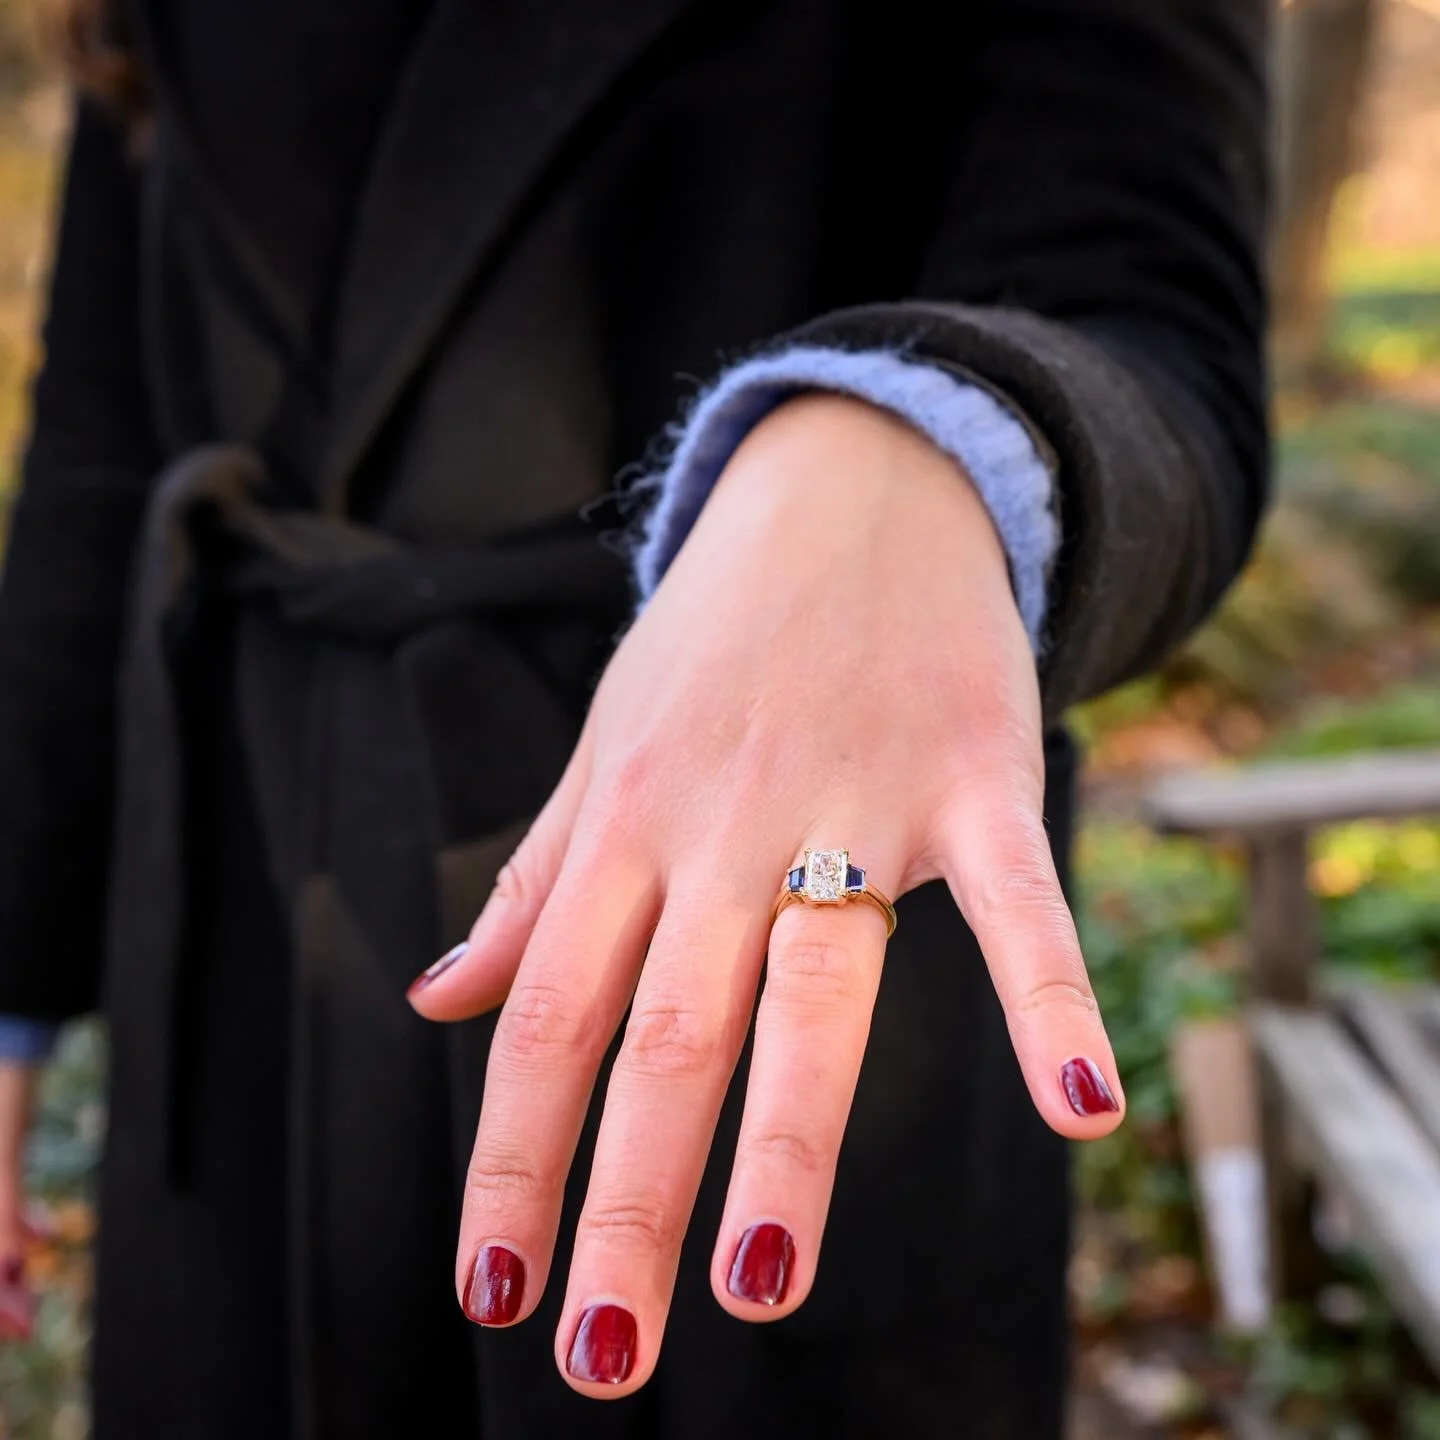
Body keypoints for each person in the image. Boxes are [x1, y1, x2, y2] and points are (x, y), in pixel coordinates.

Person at [0, 0, 1268, 1435]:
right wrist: (14, 975)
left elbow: (1160, 318)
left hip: (785, 919)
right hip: (247, 904)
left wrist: (929, 432)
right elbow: (97, 446)